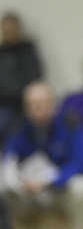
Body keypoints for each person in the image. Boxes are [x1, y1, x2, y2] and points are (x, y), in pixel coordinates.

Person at [1, 80, 83, 229]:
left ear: (53, 104)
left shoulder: (70, 122)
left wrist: (51, 180)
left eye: (42, 104)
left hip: (61, 187)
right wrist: (18, 179)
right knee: (2, 187)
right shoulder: (21, 126)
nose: (37, 109)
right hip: (31, 192)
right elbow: (8, 157)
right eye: (32, 105)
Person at [0, 11, 42, 145]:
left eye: (11, 27)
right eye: (5, 28)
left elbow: (36, 75)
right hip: (4, 104)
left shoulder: (28, 49)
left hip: (26, 103)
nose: (8, 31)